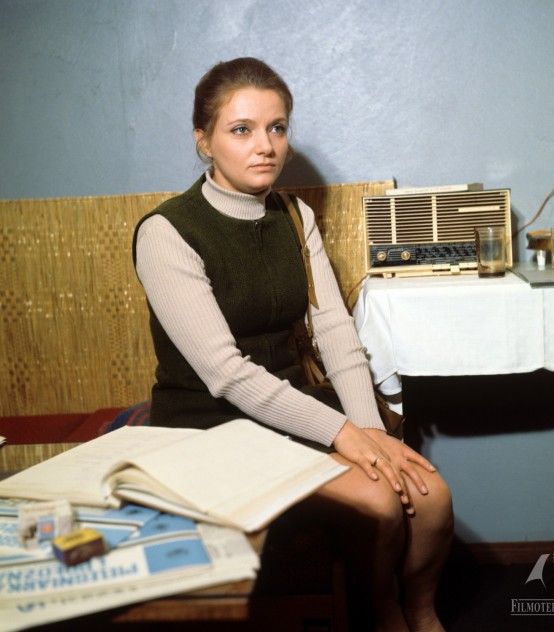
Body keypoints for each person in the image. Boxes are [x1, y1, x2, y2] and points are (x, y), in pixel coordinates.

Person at [133, 57, 453, 632]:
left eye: (277, 127)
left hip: (294, 407)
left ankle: (422, 611)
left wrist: (373, 434)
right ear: (204, 141)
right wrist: (345, 435)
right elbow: (227, 374)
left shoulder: (294, 214)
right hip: (212, 423)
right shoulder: (167, 232)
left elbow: (335, 332)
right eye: (242, 129)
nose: (266, 146)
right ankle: (381, 614)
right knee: (379, 502)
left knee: (430, 497)